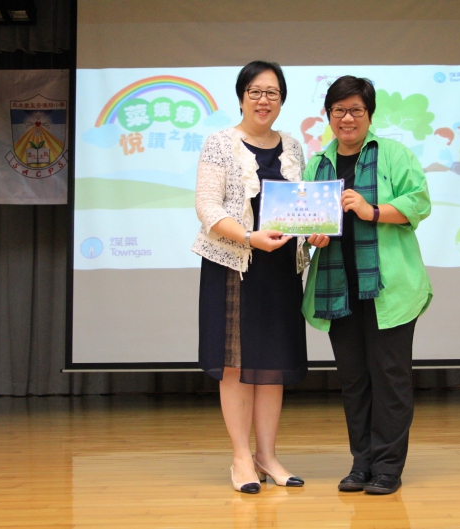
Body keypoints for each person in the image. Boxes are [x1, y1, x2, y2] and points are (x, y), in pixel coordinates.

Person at [192, 60, 329, 494]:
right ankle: (240, 458)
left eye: (272, 92)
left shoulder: (293, 147)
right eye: (255, 91)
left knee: (272, 364)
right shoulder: (220, 143)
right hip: (235, 264)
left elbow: (302, 207)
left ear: (282, 100)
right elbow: (207, 206)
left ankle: (266, 456)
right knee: (235, 364)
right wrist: (249, 237)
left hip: (281, 269)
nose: (263, 100)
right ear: (241, 97)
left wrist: (315, 232)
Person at [301, 76, 433, 495]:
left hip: (389, 289)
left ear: (369, 114)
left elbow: (418, 202)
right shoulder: (317, 164)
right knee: (354, 381)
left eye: (356, 109)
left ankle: (388, 468)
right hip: (338, 288)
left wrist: (370, 209)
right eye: (339, 110)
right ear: (328, 115)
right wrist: (313, 236)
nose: (347, 118)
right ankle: (361, 464)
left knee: (390, 378)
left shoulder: (394, 153)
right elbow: (305, 221)